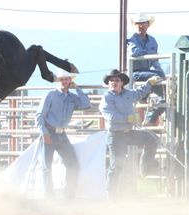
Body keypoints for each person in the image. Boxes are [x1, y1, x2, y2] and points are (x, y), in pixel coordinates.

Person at [99, 69, 162, 199]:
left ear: (122, 83)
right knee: (116, 165)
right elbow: (110, 115)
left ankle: (145, 167)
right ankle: (111, 196)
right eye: (111, 80)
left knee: (152, 139)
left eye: (117, 80)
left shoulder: (128, 94)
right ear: (108, 83)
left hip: (128, 133)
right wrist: (128, 118)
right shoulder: (107, 97)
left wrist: (149, 83)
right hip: (116, 135)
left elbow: (140, 93)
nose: (114, 82)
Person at [35, 69, 91, 199]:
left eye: (67, 79)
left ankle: (69, 196)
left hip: (61, 134)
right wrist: (44, 133)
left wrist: (77, 88)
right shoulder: (50, 95)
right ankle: (50, 197)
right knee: (46, 166)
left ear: (70, 81)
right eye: (62, 79)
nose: (64, 82)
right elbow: (39, 116)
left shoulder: (72, 97)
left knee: (73, 164)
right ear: (58, 81)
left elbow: (86, 104)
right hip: (49, 132)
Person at [127, 13, 166, 125]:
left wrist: (163, 76)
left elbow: (155, 61)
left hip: (150, 74)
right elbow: (134, 53)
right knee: (157, 78)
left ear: (147, 24)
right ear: (135, 25)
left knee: (165, 98)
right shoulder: (131, 40)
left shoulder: (153, 41)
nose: (140, 26)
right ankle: (145, 99)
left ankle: (150, 118)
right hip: (135, 73)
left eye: (143, 23)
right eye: (138, 23)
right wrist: (148, 54)